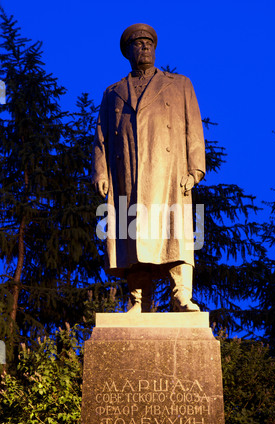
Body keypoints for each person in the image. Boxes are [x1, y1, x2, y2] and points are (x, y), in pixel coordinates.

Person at [92, 23, 206, 313]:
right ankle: (137, 300)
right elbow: (101, 137)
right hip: (128, 176)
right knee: (133, 235)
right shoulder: (113, 92)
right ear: (128, 52)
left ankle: (181, 295)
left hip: (169, 173)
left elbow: (194, 130)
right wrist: (101, 173)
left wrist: (195, 170)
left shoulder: (179, 84)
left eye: (148, 43)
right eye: (138, 44)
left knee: (175, 233)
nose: (144, 48)